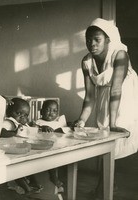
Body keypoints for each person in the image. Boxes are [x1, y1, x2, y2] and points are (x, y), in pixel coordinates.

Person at [74, 18, 138, 198]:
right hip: (104, 96)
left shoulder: (119, 55)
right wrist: (81, 120)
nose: (91, 44)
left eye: (97, 39)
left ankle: (104, 187)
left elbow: (117, 89)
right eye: (88, 40)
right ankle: (109, 184)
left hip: (124, 96)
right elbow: (89, 96)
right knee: (104, 138)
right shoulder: (86, 62)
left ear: (108, 39)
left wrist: (114, 122)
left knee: (113, 138)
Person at [1, 98, 43, 195]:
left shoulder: (20, 123)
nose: (22, 116)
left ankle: (33, 181)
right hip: (10, 151)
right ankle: (27, 188)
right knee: (17, 170)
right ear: (9, 112)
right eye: (18, 113)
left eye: (25, 115)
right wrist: (14, 132)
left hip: (20, 150)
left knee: (29, 165)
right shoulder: (9, 122)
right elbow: (1, 132)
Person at [33, 100, 65, 192]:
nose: (51, 113)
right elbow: (33, 129)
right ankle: (53, 177)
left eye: (54, 111)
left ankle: (55, 180)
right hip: (42, 149)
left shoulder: (57, 122)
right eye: (48, 110)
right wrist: (42, 128)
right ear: (41, 111)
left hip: (55, 148)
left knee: (57, 159)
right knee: (52, 161)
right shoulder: (39, 122)